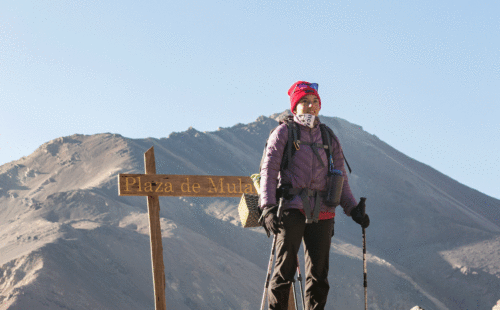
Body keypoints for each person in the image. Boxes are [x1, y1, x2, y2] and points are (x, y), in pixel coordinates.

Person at [259, 81, 370, 309]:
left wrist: (353, 210)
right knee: (284, 272)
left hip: (323, 213)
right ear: (294, 107)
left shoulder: (329, 137)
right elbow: (268, 172)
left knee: (319, 276)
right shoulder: (283, 133)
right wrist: (268, 207)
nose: (311, 106)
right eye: (304, 102)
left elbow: (340, 179)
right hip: (290, 208)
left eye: (315, 102)